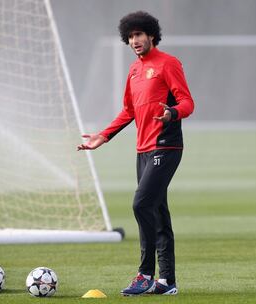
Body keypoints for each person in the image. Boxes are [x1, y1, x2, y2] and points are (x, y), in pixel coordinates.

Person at [77, 11, 194, 296]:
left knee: (141, 204)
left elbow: (187, 102)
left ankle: (145, 274)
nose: (134, 41)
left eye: (139, 34)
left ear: (151, 35)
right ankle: (167, 282)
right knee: (158, 212)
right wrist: (103, 135)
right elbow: (129, 110)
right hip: (142, 150)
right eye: (130, 37)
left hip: (165, 146)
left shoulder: (168, 63)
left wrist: (172, 113)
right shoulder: (134, 70)